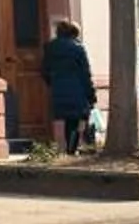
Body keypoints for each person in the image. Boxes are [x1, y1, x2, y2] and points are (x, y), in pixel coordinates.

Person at [39, 17, 96, 151]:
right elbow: (85, 74)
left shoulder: (50, 48)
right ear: (74, 34)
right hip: (78, 91)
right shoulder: (78, 49)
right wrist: (91, 95)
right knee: (76, 121)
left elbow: (44, 70)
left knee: (68, 121)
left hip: (58, 90)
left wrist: (53, 83)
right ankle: (73, 148)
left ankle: (70, 148)